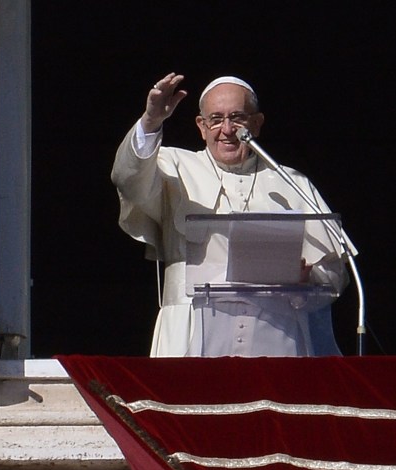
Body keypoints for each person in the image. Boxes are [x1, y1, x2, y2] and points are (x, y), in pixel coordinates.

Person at [111, 72, 351, 357]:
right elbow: (127, 178)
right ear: (201, 126)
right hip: (191, 336)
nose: (226, 129)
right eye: (215, 119)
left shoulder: (291, 182)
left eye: (237, 118)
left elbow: (335, 271)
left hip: (275, 338)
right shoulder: (172, 167)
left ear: (256, 124)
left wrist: (306, 281)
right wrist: (151, 121)